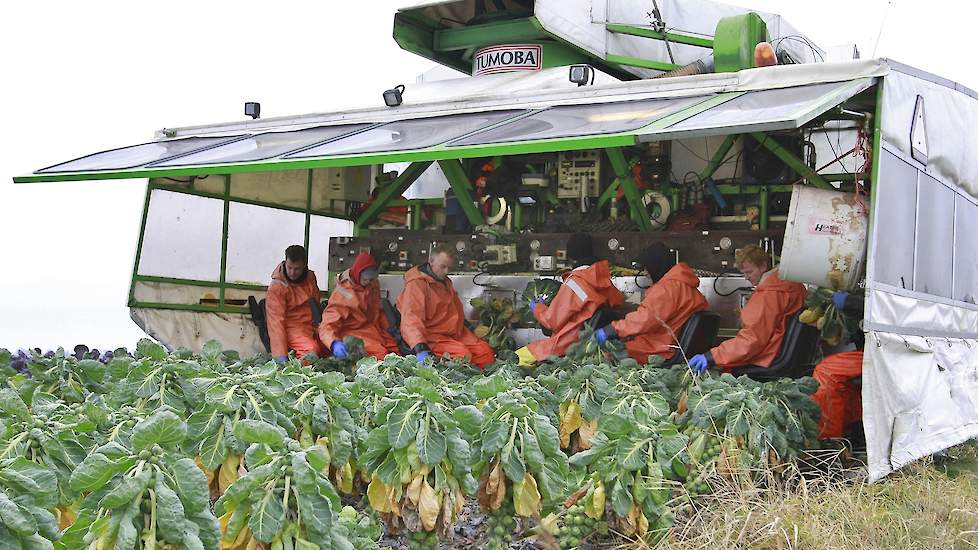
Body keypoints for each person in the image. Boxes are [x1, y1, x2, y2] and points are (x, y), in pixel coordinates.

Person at [688, 244, 807, 372]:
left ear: (763, 266)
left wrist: (711, 356)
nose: (746, 277)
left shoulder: (769, 294)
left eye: (749, 272)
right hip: (782, 355)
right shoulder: (792, 286)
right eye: (744, 273)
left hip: (766, 358)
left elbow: (751, 340)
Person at [515, 234, 624, 367]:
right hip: (594, 348)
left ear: (571, 256)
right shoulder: (605, 281)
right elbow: (619, 305)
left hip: (567, 346)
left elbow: (551, 322)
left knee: (517, 359)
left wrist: (537, 308)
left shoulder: (575, 282)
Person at [594, 242, 709, 364]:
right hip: (671, 346)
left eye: (647, 268)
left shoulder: (666, 289)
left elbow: (644, 320)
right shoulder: (686, 286)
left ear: (656, 266)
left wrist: (612, 329)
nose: (646, 273)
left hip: (659, 350)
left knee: (605, 353)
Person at [397, 246, 496, 368]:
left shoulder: (444, 281)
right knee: (462, 356)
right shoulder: (416, 285)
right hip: (432, 336)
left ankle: (482, 382)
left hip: (456, 333)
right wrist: (420, 347)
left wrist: (468, 326)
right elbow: (411, 321)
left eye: (449, 267)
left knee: (485, 352)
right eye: (443, 266)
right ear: (431, 261)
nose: (446, 271)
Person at [319, 252, 400, 361]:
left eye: (372, 279)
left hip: (372, 328)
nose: (369, 282)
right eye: (366, 279)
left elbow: (377, 311)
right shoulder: (343, 294)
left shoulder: (372, 284)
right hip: (351, 331)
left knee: (395, 350)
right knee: (381, 354)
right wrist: (334, 343)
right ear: (358, 273)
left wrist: (387, 326)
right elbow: (327, 325)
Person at [811, 291, 865, 439]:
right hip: (878, 349)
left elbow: (890, 306)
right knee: (845, 381)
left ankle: (828, 441)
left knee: (826, 372)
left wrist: (851, 303)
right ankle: (853, 432)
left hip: (889, 351)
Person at [266, 245, 323, 361]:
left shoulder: (310, 277)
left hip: (312, 325)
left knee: (330, 345)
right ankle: (298, 372)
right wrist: (280, 354)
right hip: (291, 328)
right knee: (311, 350)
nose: (292, 272)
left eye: (297, 269)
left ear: (304, 266)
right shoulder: (277, 286)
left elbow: (316, 302)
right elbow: (276, 323)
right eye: (289, 267)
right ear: (285, 262)